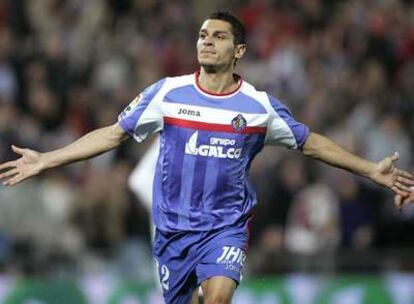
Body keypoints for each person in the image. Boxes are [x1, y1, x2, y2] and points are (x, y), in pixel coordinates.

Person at [0, 10, 413, 304]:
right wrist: (47, 159)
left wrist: (369, 170)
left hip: (225, 228)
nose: (207, 41)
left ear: (239, 51)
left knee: (217, 298)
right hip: (173, 232)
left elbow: (312, 143)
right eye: (202, 35)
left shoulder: (258, 107)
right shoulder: (167, 93)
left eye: (218, 36)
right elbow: (112, 134)